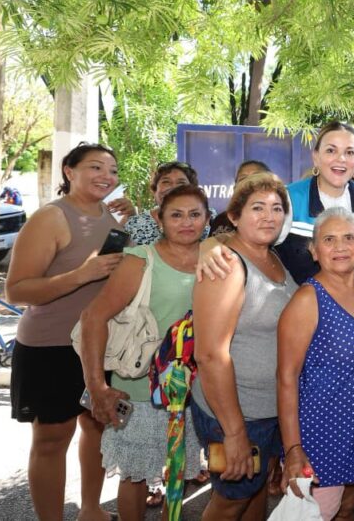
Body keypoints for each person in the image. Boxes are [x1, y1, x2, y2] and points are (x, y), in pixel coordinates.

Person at [5, 142, 126, 521]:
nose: (106, 176)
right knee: (52, 439)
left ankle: (91, 510)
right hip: (51, 346)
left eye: (112, 170)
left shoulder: (112, 217)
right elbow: (17, 290)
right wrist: (81, 275)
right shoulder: (51, 218)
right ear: (69, 172)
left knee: (98, 428)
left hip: (100, 346)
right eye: (96, 167)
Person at [79, 185, 209, 520]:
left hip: (195, 390)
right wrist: (97, 386)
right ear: (160, 221)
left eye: (194, 214)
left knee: (179, 471)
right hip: (139, 388)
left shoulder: (215, 258)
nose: (186, 222)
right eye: (176, 215)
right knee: (135, 475)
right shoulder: (141, 260)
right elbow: (93, 317)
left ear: (207, 219)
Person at [191, 172, 298, 520]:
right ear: (235, 216)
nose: (269, 216)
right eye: (257, 208)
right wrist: (234, 431)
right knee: (230, 504)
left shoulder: (272, 256)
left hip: (267, 410)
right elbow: (210, 355)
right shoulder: (226, 264)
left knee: (255, 492)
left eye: (277, 208)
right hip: (237, 413)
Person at [276, 208, 354, 519]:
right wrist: (293, 449)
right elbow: (286, 378)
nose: (340, 247)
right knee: (317, 514)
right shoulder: (308, 300)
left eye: (348, 238)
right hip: (321, 433)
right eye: (329, 239)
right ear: (314, 250)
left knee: (346, 508)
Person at [276, 122, 354, 283]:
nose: (341, 159)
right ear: (316, 157)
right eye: (331, 150)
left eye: (349, 152)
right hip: (300, 297)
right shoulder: (289, 198)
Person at [124, 161, 209, 246]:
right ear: (154, 190)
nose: (173, 187)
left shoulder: (210, 219)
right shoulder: (134, 224)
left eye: (181, 183)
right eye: (166, 182)